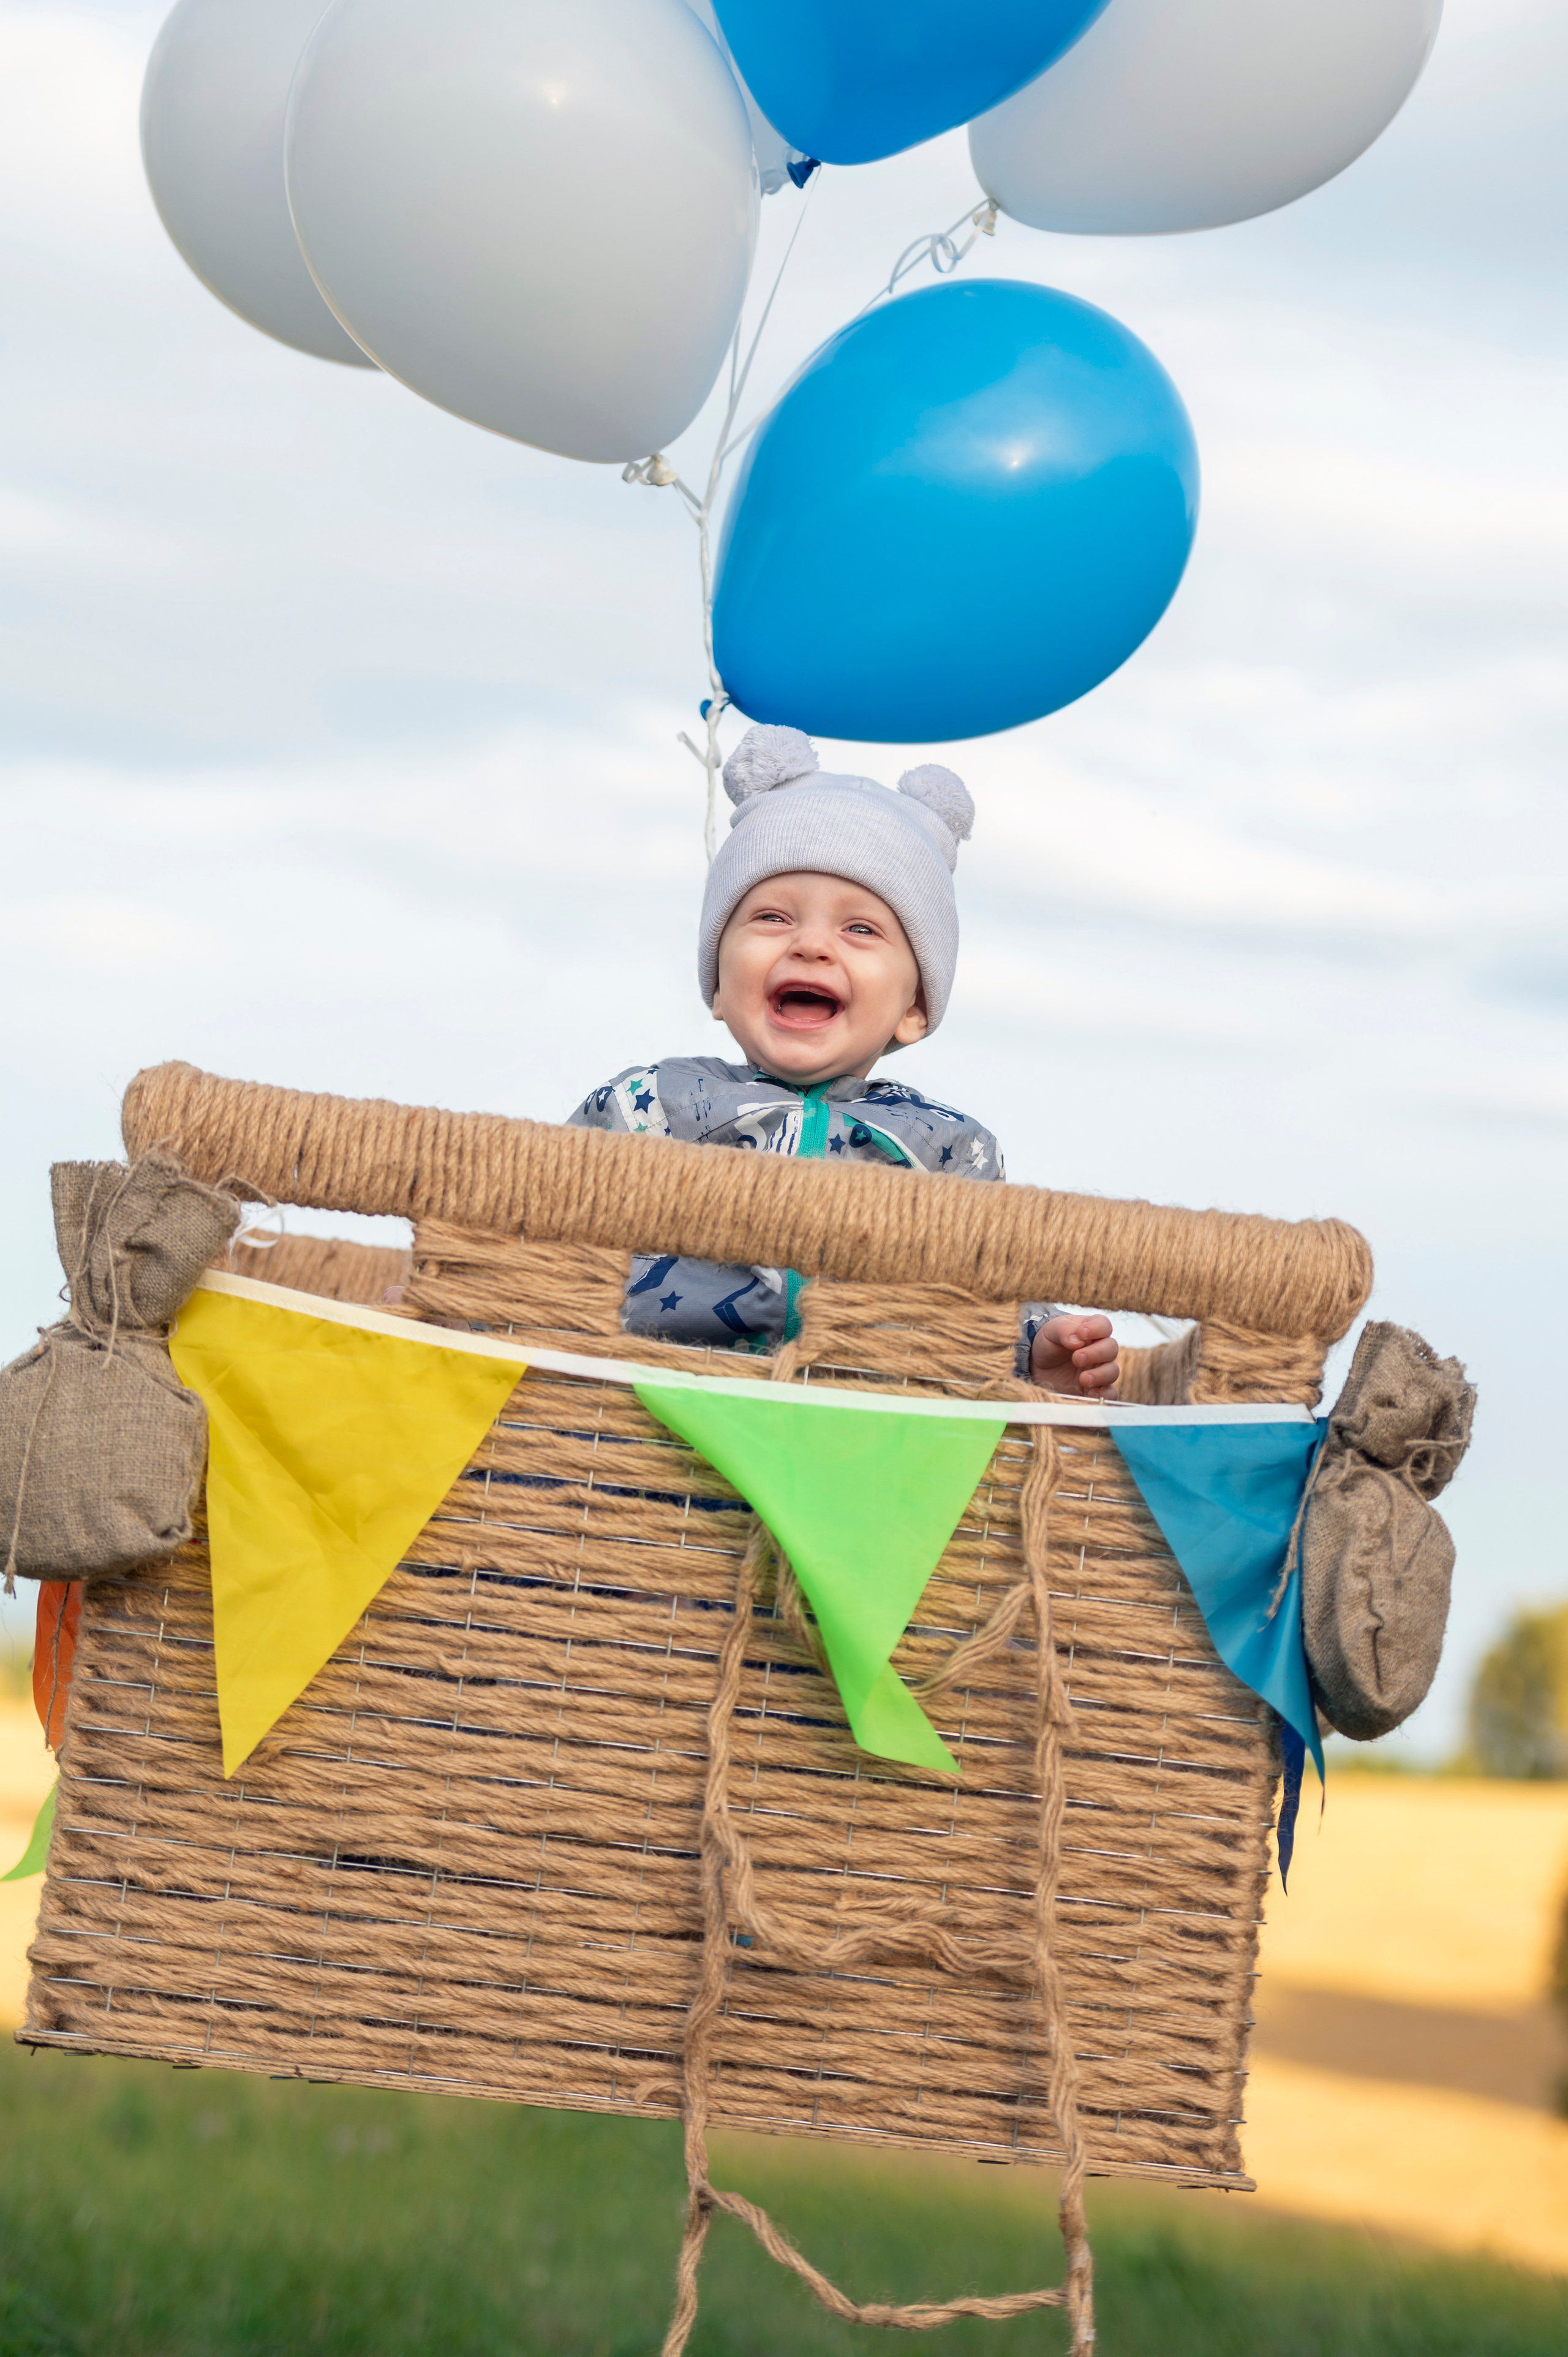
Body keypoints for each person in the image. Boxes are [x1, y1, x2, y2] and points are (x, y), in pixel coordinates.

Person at [568, 724, 1118, 1396]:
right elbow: (536, 1231)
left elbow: (987, 1288)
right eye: (772, 917)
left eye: (860, 929)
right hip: (647, 1414)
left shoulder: (948, 1148)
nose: (811, 945)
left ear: (914, 1009)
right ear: (717, 980)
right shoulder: (648, 1103)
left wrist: (1035, 1348)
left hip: (861, 1433)